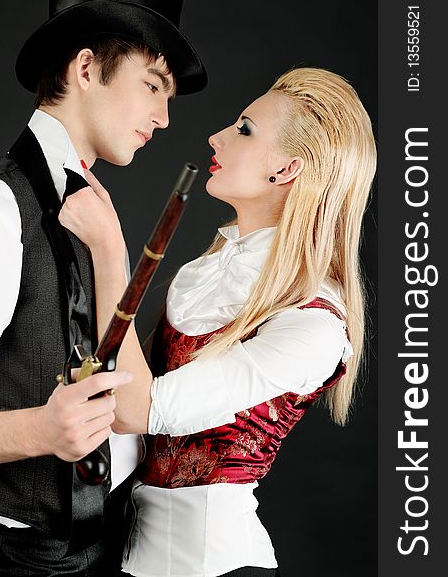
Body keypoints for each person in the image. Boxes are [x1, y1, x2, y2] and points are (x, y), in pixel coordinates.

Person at [59, 67, 377, 577]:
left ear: (286, 170)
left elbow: (139, 408)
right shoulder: (205, 271)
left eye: (245, 129)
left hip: (216, 564)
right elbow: (113, 386)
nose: (216, 136)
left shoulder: (314, 325)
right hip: (124, 552)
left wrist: (109, 253)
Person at [0, 0, 206, 575]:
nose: (162, 118)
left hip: (111, 541)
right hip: (21, 560)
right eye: (153, 87)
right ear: (85, 68)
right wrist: (38, 430)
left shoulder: (93, 201)